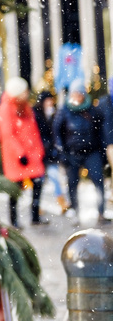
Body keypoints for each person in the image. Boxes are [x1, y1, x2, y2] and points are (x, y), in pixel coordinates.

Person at [53, 80, 110, 224]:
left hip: (92, 151)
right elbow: (57, 132)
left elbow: (99, 131)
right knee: (72, 183)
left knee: (98, 180)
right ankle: (76, 212)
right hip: (72, 153)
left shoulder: (92, 110)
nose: (77, 96)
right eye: (75, 93)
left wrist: (102, 152)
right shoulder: (64, 110)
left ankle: (101, 212)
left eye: (79, 93)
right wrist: (62, 152)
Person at [0, 77, 47, 227]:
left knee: (38, 183)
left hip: (32, 152)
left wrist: (40, 150)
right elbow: (8, 135)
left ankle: (35, 216)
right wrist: (20, 153)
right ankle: (14, 220)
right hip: (17, 156)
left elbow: (33, 129)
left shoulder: (25, 107)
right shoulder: (6, 109)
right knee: (15, 189)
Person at [33, 90, 69, 214]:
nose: (50, 102)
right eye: (48, 100)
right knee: (39, 181)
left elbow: (56, 131)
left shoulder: (54, 113)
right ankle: (37, 206)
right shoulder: (36, 114)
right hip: (39, 152)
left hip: (50, 152)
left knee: (54, 177)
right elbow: (37, 133)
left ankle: (61, 202)